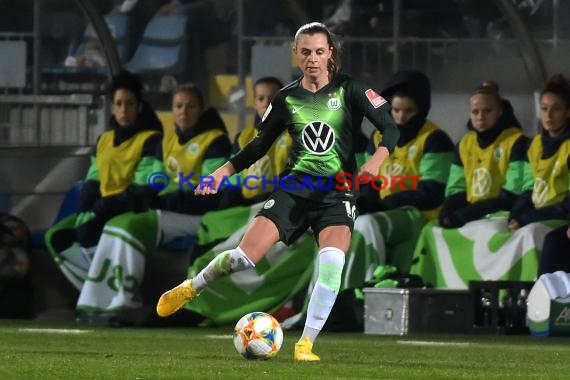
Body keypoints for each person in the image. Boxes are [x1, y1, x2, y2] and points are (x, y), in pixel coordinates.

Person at [156, 22, 399, 361]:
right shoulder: (286, 98)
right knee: (244, 257)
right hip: (294, 191)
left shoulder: (351, 89)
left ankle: (305, 344)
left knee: (331, 264)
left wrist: (377, 158)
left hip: (337, 194)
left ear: (330, 53)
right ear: (295, 55)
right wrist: (221, 173)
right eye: (305, 52)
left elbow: (389, 126)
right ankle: (191, 287)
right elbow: (258, 145)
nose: (313, 59)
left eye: (318, 51)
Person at [73, 84, 231, 319]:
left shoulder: (215, 141)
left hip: (197, 215)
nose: (184, 112)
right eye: (178, 106)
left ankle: (126, 301)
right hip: (168, 211)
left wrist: (163, 201)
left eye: (190, 106)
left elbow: (211, 193)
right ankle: (96, 302)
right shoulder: (167, 141)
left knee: (131, 226)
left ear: (201, 110)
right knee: (117, 224)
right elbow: (156, 184)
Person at [45, 70, 163, 290]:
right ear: (112, 107)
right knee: (55, 237)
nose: (123, 109)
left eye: (129, 104)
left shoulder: (151, 139)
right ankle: (95, 284)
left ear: (139, 107)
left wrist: (106, 205)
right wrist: (86, 204)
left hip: (129, 207)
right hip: (102, 207)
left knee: (86, 234)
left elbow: (145, 184)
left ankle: (100, 290)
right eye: (118, 104)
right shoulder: (104, 139)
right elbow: (94, 176)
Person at [353, 70, 453, 275]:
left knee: (367, 224)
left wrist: (383, 204)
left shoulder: (435, 139)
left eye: (409, 111)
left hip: (419, 215)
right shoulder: (378, 136)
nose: (400, 117)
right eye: (395, 110)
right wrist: (365, 201)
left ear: (422, 109)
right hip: (385, 211)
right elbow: (367, 181)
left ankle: (367, 288)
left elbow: (431, 193)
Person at [438, 81, 528, 228]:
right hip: (471, 211)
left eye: (487, 111)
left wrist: (468, 213)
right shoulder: (464, 144)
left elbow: (512, 194)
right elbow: (457, 187)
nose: (480, 117)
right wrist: (447, 212)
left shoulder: (517, 142)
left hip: (502, 213)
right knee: (434, 228)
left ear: (499, 112)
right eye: (475, 112)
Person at [508, 74, 570, 231]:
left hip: (562, 216)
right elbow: (529, 188)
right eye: (544, 108)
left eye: (556, 109)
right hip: (539, 213)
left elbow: (567, 205)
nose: (548, 115)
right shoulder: (535, 144)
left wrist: (526, 219)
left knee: (530, 233)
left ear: (568, 112)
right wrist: (515, 216)